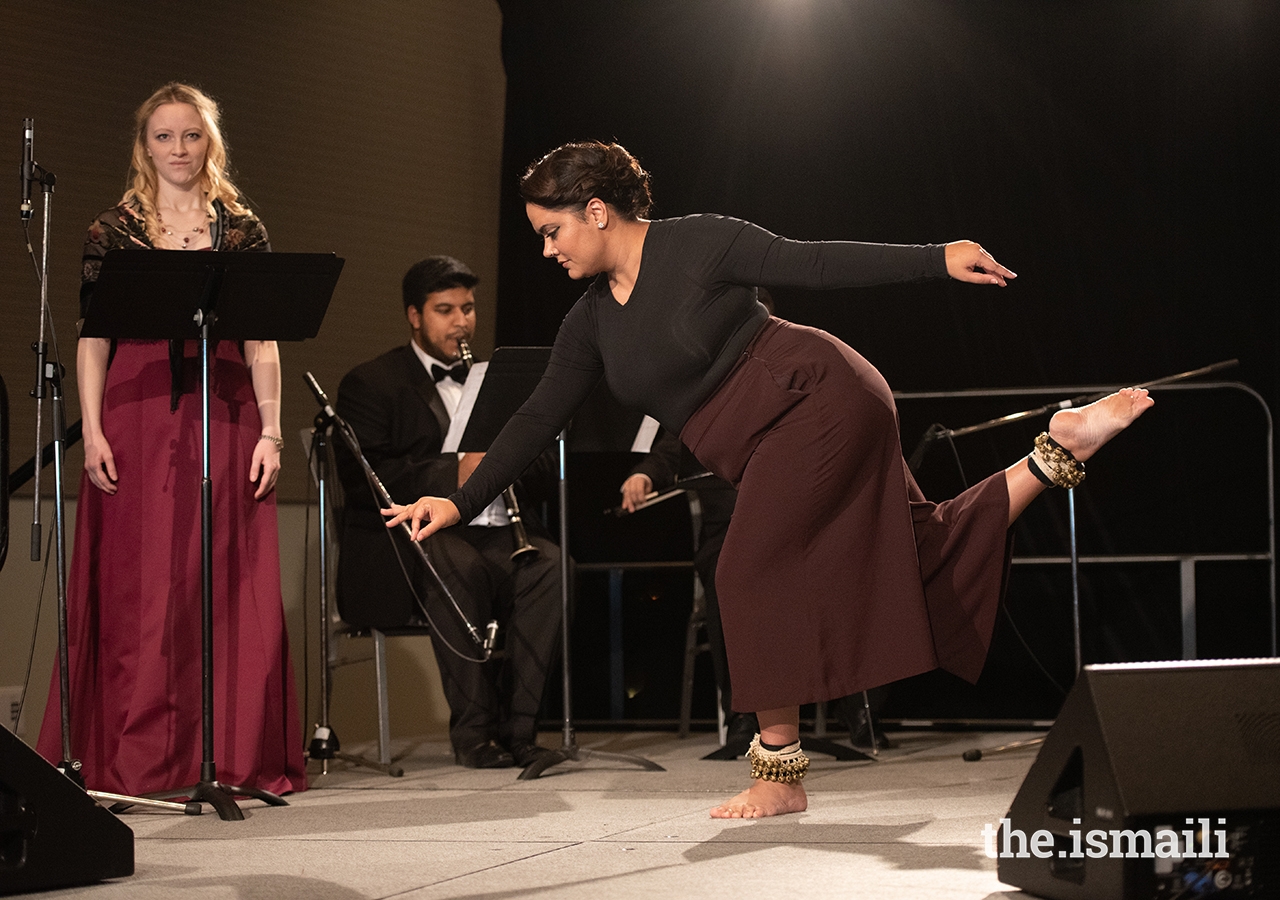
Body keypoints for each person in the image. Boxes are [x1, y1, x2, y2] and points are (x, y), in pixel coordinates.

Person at [386, 141, 1153, 817]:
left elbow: (815, 260)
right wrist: (457, 502)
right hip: (766, 438)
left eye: (551, 232)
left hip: (814, 396)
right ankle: (1055, 451)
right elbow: (535, 417)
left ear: (595, 211)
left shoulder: (700, 244)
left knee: (746, 570)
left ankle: (779, 771)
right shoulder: (589, 321)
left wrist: (934, 255)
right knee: (917, 547)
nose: (547, 250)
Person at [37, 83, 306, 797]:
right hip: (136, 409)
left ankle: (225, 757)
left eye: (191, 136)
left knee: (224, 581)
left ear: (210, 142)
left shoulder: (240, 230)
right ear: (144, 145)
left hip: (227, 408)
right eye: (164, 137)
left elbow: (263, 340)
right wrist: (92, 429)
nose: (179, 150)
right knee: (144, 584)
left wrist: (273, 430)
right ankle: (137, 758)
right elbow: (95, 339)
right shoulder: (114, 229)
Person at [334, 256, 561, 770]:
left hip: (503, 532)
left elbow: (545, 464)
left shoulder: (497, 379)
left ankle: (521, 731)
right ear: (414, 315)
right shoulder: (372, 382)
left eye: (468, 308)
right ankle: (474, 734)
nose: (461, 321)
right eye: (445, 310)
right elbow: (366, 476)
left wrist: (510, 460)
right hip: (422, 536)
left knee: (550, 566)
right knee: (455, 564)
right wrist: (459, 473)